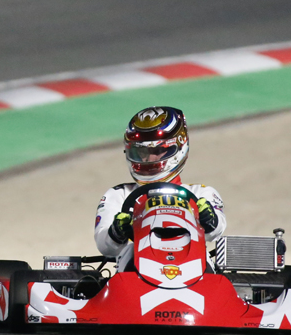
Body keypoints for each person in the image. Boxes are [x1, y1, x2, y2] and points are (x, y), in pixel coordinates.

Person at [93, 106, 226, 272]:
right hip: (136, 273)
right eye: (141, 152)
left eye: (157, 151)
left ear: (178, 147)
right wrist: (116, 232)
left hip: (194, 269)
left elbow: (216, 232)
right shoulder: (119, 195)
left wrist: (208, 219)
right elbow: (105, 246)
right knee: (128, 253)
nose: (148, 158)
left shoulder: (201, 194)